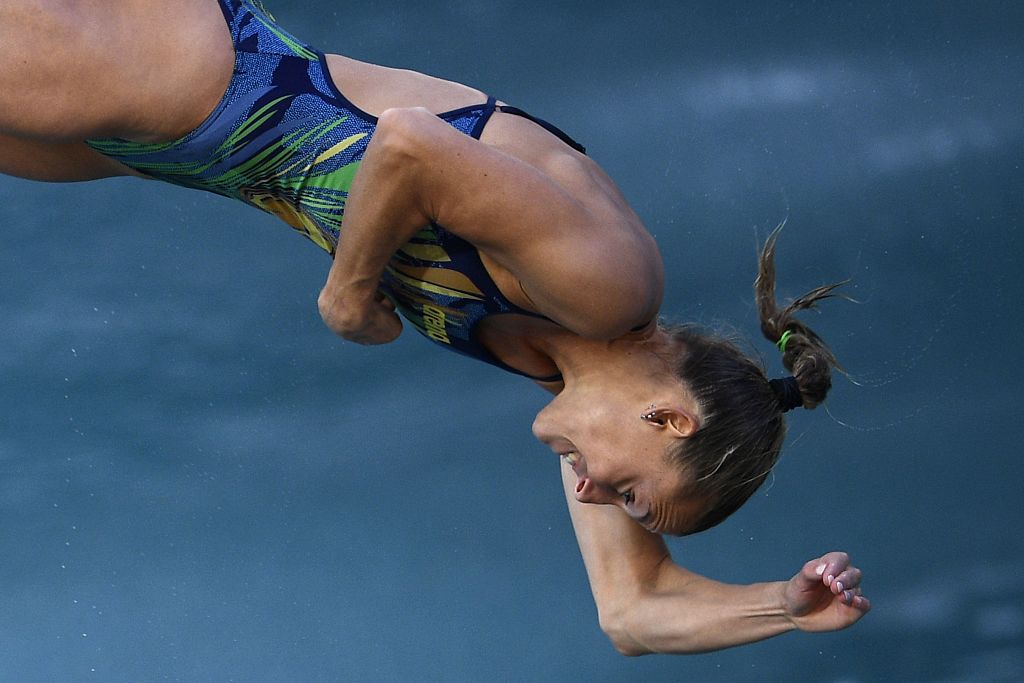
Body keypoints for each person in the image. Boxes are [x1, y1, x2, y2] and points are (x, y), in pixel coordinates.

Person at [0, 0, 870, 655]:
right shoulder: (610, 288)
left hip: (171, 146)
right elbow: (411, 146)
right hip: (185, 75)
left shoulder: (557, 361)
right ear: (669, 419)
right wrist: (350, 292)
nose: (599, 496)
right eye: (631, 490)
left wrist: (782, 608)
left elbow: (630, 612)